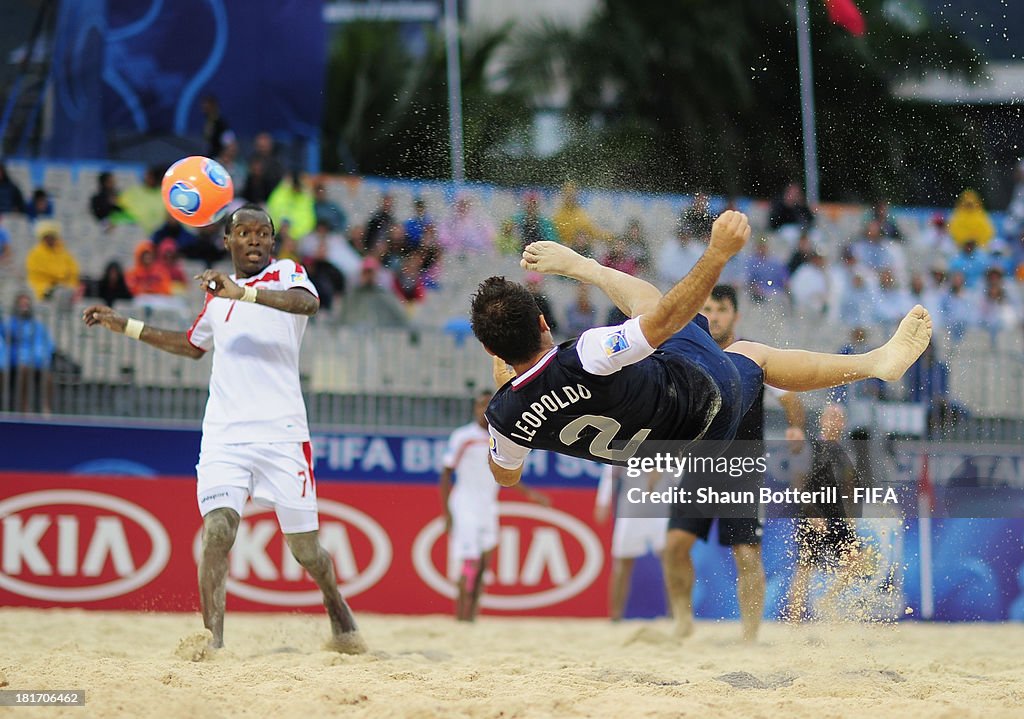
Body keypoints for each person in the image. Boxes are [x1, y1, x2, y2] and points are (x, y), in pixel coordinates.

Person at [472, 211, 932, 493]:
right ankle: (875, 363)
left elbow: (505, 476)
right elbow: (666, 318)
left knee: (750, 352)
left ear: (491, 348)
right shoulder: (586, 352)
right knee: (654, 310)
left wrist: (509, 390)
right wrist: (717, 254)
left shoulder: (505, 415)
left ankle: (877, 363)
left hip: (686, 446)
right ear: (542, 323)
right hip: (702, 393)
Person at [81, 205, 366, 654]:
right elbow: (191, 346)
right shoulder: (216, 299)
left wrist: (243, 294)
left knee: (306, 551)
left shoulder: (287, 274)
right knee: (217, 530)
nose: (254, 240)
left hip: (283, 436)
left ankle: (335, 604)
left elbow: (309, 304)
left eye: (262, 233)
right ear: (228, 242)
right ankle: (212, 641)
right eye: (244, 233)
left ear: (272, 243)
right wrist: (125, 325)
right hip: (224, 437)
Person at [663, 284, 807, 641]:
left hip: (742, 470)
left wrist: (794, 428)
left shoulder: (752, 357)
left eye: (721, 310)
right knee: (674, 547)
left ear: (735, 316)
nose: (713, 316)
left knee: (746, 554)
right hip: (698, 467)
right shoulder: (691, 354)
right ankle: (682, 621)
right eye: (708, 309)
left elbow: (791, 398)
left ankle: (749, 637)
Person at [439, 392, 548, 622]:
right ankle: (460, 616)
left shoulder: (502, 436)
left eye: (488, 405)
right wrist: (447, 512)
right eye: (480, 405)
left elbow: (506, 474)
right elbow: (446, 473)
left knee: (485, 563)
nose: (484, 410)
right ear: (474, 409)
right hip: (465, 505)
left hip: (488, 506)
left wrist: (530, 494)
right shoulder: (463, 437)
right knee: (469, 562)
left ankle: (472, 616)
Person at [785, 404, 872, 622]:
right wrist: (813, 514)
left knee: (858, 560)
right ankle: (794, 623)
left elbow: (849, 488)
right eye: (831, 416)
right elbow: (798, 486)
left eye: (839, 417)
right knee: (804, 568)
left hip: (837, 516)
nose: (835, 421)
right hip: (812, 515)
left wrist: (851, 518)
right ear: (822, 421)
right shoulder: (809, 447)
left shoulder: (846, 451)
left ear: (843, 423)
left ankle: (827, 599)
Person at [594, 465, 670, 621]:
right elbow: (611, 472)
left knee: (672, 562)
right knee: (622, 562)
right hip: (630, 511)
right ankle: (615, 616)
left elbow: (683, 472)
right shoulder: (625, 441)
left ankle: (676, 614)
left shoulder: (673, 441)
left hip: (664, 509)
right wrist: (602, 501)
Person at [6, 293, 55, 414]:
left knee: (48, 375)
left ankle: (46, 408)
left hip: (36, 362)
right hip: (15, 363)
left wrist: (43, 359)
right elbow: (6, 346)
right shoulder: (9, 325)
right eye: (22, 304)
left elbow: (48, 345)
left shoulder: (38, 326)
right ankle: (24, 407)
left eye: (27, 304)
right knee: (23, 370)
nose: (24, 307)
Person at [25, 220, 79, 300]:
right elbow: (37, 274)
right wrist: (59, 277)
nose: (50, 239)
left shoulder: (63, 252)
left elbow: (73, 270)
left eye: (52, 237)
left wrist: (68, 284)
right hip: (43, 288)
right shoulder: (35, 254)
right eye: (47, 237)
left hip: (63, 287)